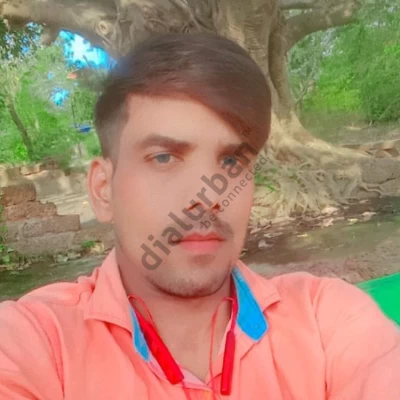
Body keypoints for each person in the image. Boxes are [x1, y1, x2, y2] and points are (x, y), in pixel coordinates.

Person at [0, 33, 399, 400]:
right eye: (163, 158)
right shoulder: (36, 345)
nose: (206, 197)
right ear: (103, 189)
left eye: (231, 161)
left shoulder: (326, 322)